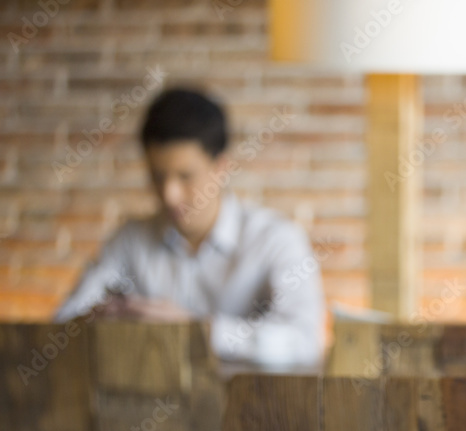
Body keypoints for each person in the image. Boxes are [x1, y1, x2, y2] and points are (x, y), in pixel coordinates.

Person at [55, 87, 326, 366]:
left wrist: (198, 331)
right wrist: (106, 319)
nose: (169, 194)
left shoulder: (276, 240)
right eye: (158, 176)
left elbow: (305, 343)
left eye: (185, 176)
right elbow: (62, 327)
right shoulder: (130, 240)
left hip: (249, 408)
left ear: (221, 168)